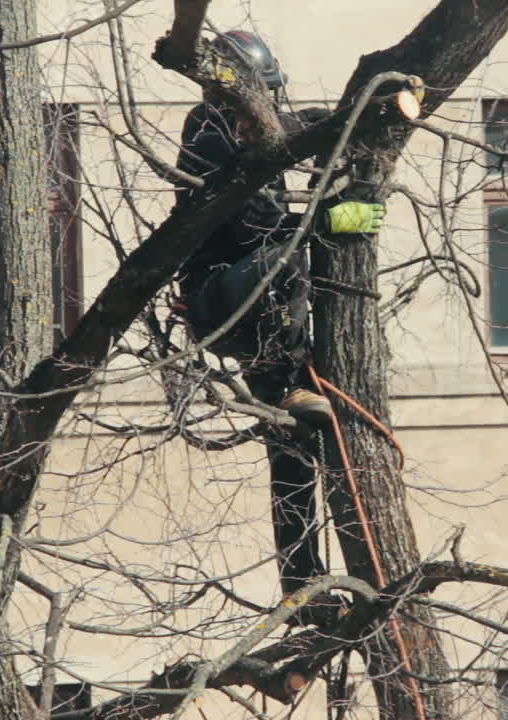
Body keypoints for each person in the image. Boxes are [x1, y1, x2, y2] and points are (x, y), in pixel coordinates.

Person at [173, 30, 386, 598]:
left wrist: (346, 122)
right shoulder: (210, 130)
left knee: (293, 453)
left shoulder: (246, 125)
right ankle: (286, 381)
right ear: (232, 94)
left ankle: (303, 581)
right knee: (287, 258)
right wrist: (330, 222)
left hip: (257, 291)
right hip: (220, 293)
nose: (270, 107)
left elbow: (293, 127)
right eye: (260, 95)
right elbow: (257, 230)